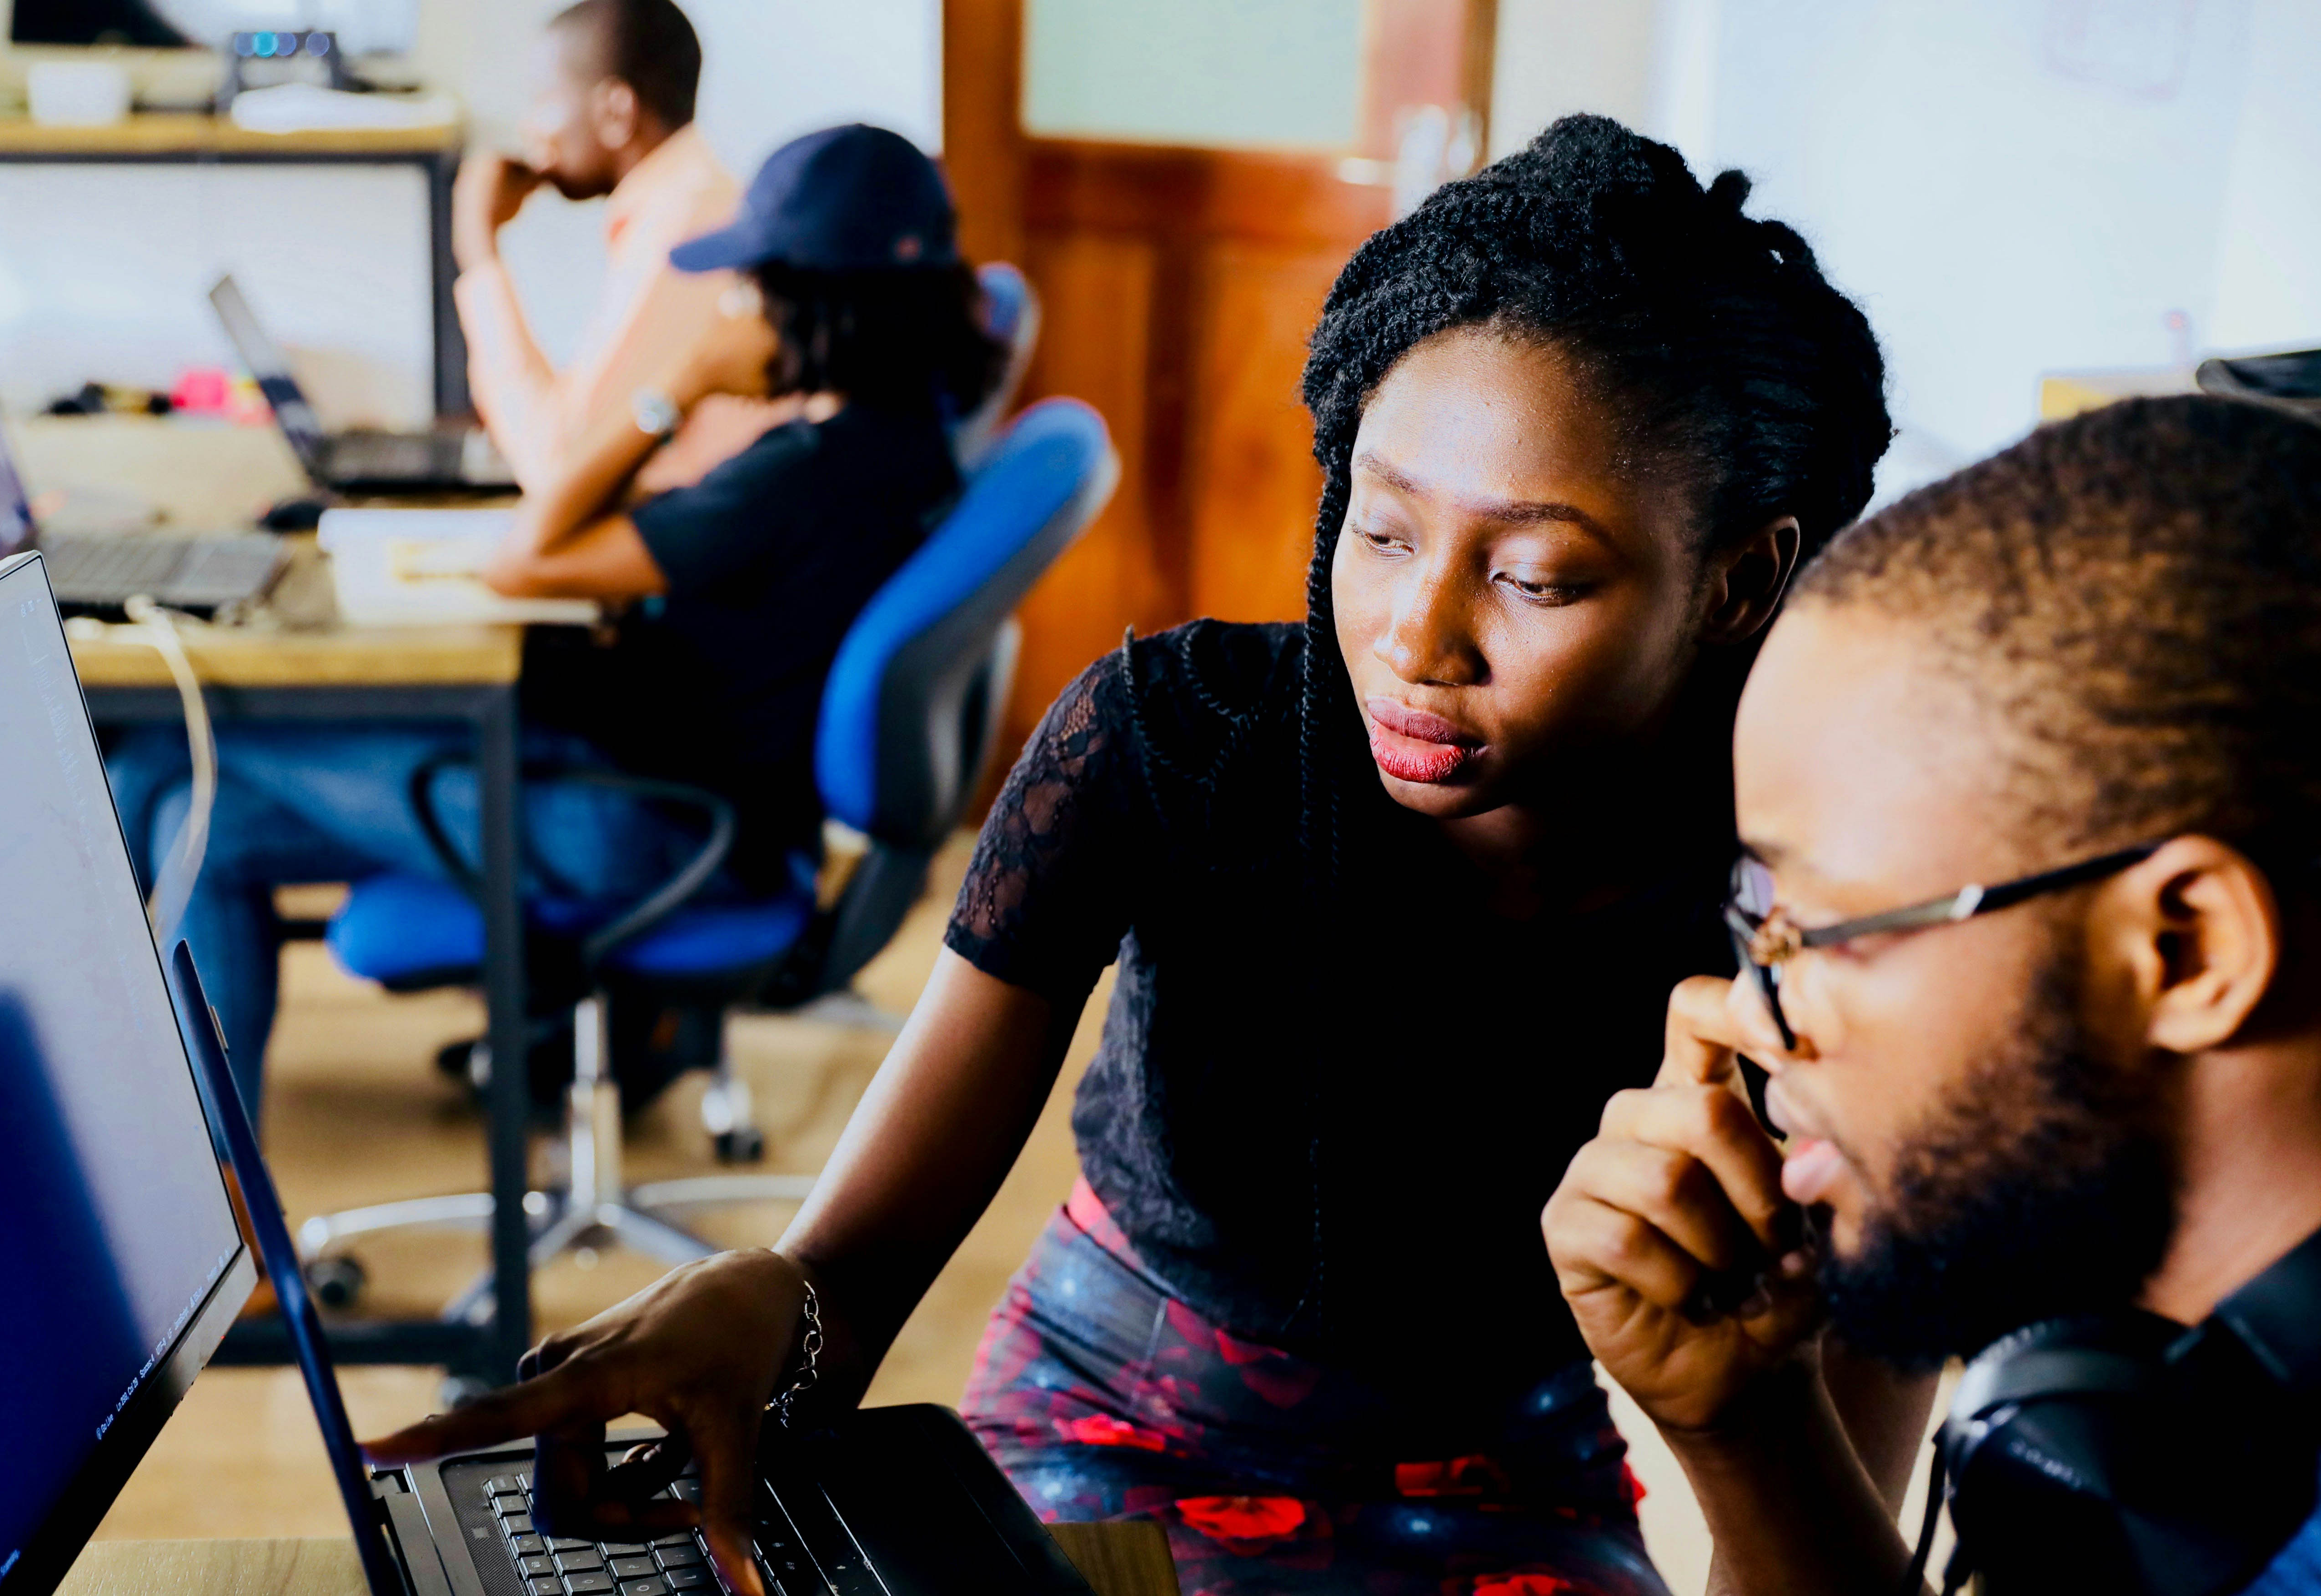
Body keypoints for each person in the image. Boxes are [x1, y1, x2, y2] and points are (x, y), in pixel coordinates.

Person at [364, 116, 1905, 1596]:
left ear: (1736, 579)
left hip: (1507, 1475)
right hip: (1112, 1418)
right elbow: (850, 1271)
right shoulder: (1176, 746)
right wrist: (769, 1303)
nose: (1416, 641)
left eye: (1533, 574)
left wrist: (1738, 1412)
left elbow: (1834, 1549)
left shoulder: (1831, 923)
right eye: (1379, 533)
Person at [1542, 396, 2321, 1596]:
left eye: (1822, 925)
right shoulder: (2175, 1424)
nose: (1752, 1012)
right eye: (1759, 920)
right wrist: (1753, 1431)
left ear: (2185, 948)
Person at [112, 124, 1003, 1081]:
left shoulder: (805, 477)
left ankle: (178, 1157)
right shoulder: (900, 442)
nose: (732, 304)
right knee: (205, 827)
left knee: (166, 762)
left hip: (642, 829)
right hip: (676, 800)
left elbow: (527, 559)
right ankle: (222, 1174)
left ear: (813, 301)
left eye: (752, 283)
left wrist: (681, 384)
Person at [456, 0, 752, 494]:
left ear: (617, 112)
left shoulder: (682, 229)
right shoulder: (687, 201)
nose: (529, 128)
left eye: (544, 99)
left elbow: (560, 467)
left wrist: (477, 246)